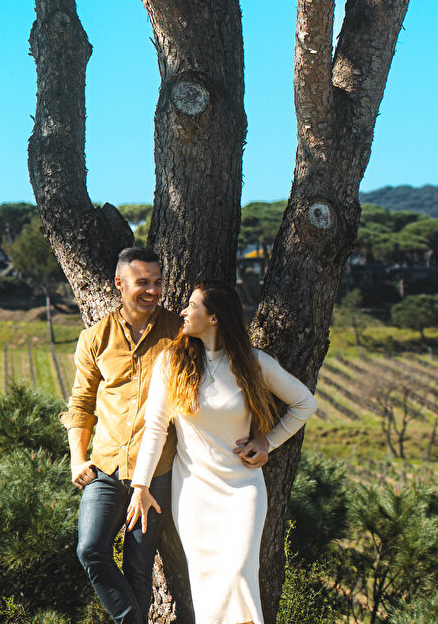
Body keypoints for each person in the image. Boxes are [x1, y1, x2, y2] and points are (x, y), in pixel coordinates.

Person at [125, 281, 317, 624]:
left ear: (214, 318)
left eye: (192, 306)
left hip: (243, 490)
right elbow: (155, 429)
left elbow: (305, 403)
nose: (182, 311)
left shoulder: (253, 363)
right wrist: (140, 485)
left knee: (240, 574)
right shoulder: (171, 362)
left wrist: (267, 442)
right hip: (194, 492)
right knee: (206, 584)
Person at [61, 246, 183, 624]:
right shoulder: (95, 338)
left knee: (139, 567)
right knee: (90, 549)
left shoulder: (179, 334)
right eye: (142, 282)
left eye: (157, 282)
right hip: (106, 468)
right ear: (119, 284)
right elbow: (80, 402)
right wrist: (77, 458)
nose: (152, 290)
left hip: (156, 472)